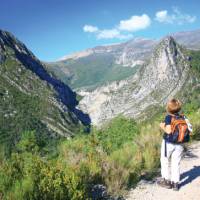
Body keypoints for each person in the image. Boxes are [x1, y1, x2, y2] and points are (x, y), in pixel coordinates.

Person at [157, 99, 192, 191]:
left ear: (168, 108)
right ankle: (175, 184)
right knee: (176, 162)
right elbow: (190, 129)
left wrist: (162, 126)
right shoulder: (183, 117)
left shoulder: (168, 117)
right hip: (180, 143)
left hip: (168, 143)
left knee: (164, 160)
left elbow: (168, 131)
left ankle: (166, 181)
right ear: (179, 108)